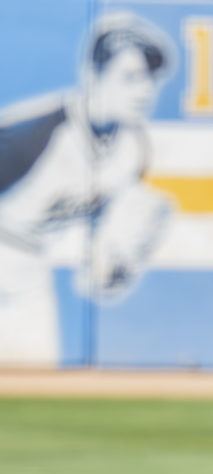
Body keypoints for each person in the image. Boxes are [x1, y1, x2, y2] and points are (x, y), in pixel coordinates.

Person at [0, 11, 174, 367]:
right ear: (93, 76)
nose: (143, 90)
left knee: (38, 377)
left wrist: (114, 259)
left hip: (31, 268)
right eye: (129, 77)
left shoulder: (133, 147)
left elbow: (112, 223)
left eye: (149, 79)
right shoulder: (34, 134)